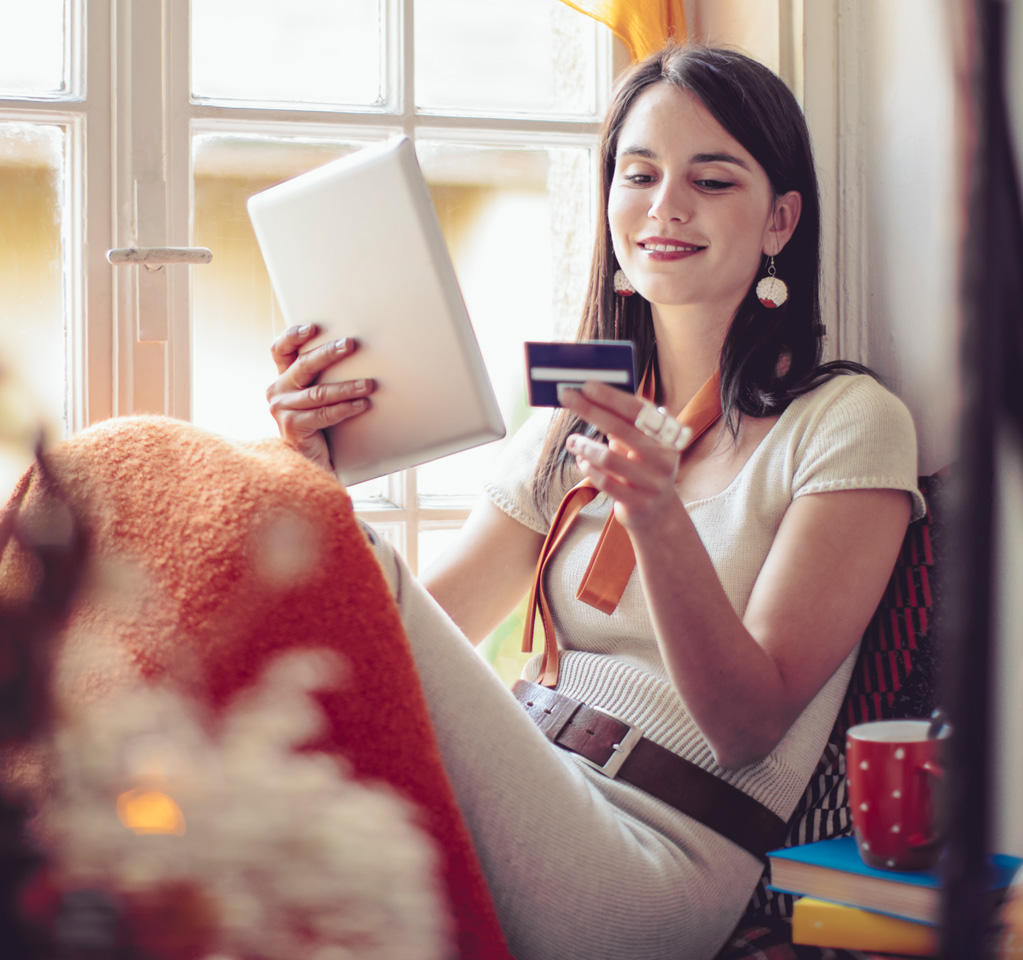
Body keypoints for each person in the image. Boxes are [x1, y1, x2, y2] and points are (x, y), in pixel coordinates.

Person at [264, 44, 925, 960]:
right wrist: (310, 476)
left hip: (657, 850)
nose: (665, 205)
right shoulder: (574, 420)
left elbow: (745, 725)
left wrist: (657, 517)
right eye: (638, 174)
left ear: (779, 219)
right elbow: (420, 629)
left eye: (712, 179)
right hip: (534, 771)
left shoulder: (849, 421)